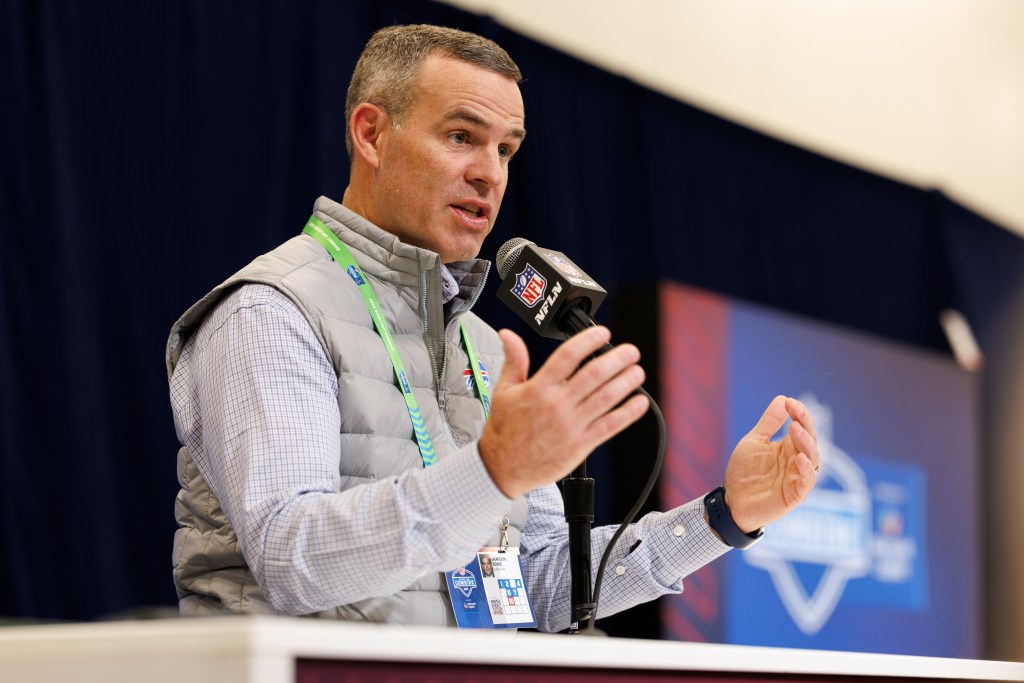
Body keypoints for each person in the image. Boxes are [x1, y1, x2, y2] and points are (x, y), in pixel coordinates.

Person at [166, 24, 819, 630]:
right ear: (370, 134)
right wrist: (490, 471)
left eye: (506, 148)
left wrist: (722, 517)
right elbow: (292, 561)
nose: (491, 173)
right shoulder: (273, 309)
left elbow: (535, 579)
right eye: (461, 136)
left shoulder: (481, 347)